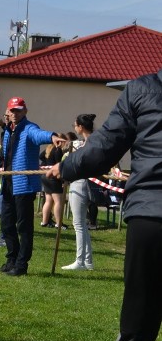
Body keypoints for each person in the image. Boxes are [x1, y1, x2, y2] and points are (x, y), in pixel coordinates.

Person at [48, 69, 162, 341]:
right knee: (134, 335)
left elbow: (102, 150)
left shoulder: (142, 88)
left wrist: (64, 168)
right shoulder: (143, 89)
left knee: (134, 336)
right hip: (151, 214)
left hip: (150, 221)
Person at [0, 97, 59, 276]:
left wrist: (52, 136)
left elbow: (39, 135)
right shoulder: (8, 131)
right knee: (6, 224)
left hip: (24, 186)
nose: (15, 114)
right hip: (8, 184)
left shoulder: (29, 128)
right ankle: (11, 259)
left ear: (25, 111)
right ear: (8, 112)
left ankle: (22, 265)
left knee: (24, 227)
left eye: (18, 110)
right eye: (12, 110)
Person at [62, 114, 97, 271]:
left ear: (80, 127)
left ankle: (80, 261)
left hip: (80, 182)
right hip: (82, 182)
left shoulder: (87, 143)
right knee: (81, 223)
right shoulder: (88, 141)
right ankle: (88, 261)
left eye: (74, 125)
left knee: (78, 224)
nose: (74, 128)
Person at [39, 135, 68, 229]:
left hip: (45, 176)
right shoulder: (58, 150)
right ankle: (58, 223)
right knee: (58, 201)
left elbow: (41, 156)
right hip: (53, 178)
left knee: (48, 200)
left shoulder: (48, 148)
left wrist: (46, 164)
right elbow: (58, 163)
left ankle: (44, 221)